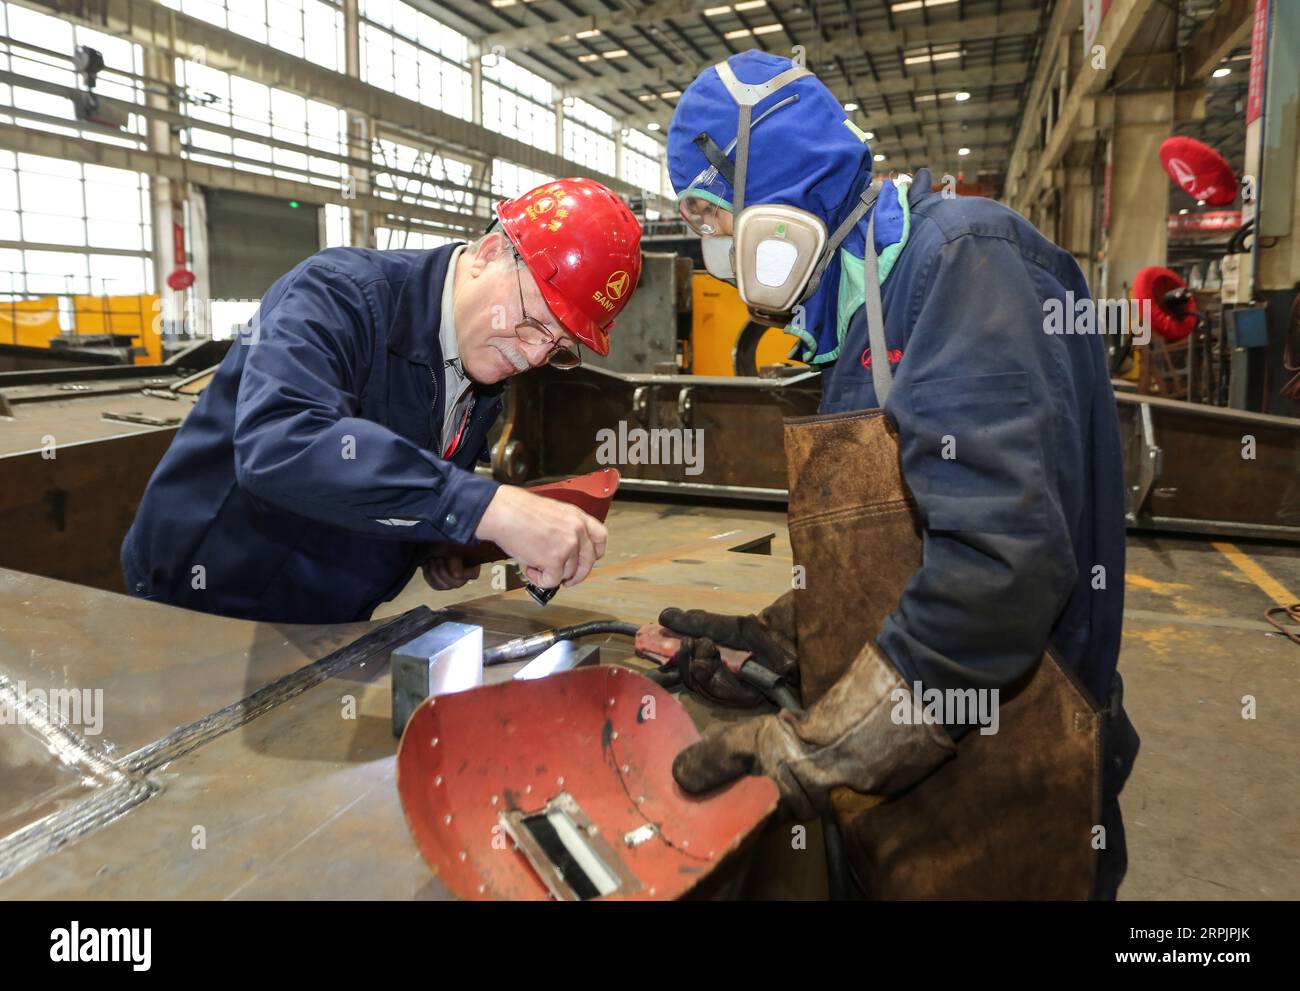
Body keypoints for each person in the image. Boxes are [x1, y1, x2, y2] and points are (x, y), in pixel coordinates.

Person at [659, 50, 1140, 900]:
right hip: (923, 784)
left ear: (780, 206)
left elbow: (1002, 570)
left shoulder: (963, 265)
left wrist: (814, 749)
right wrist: (785, 639)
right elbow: (904, 540)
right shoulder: (857, 316)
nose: (711, 249)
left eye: (712, 215)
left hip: (1012, 782)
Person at [122, 178, 642, 624]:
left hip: (328, 617)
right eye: (533, 323)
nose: (532, 355)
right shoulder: (337, 293)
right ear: (488, 254)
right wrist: (483, 506)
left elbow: (389, 475)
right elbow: (283, 442)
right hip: (206, 605)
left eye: (557, 347)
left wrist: (435, 540)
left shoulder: (482, 355)